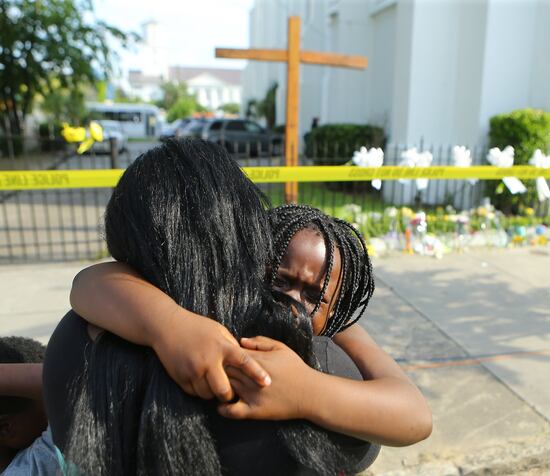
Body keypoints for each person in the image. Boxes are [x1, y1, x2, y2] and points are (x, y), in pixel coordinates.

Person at [42, 139, 377, 475]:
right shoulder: (306, 367)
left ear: (123, 241)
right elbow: (397, 422)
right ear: (249, 231)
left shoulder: (73, 343)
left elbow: (87, 285)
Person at [69, 204, 432, 446]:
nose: (292, 303)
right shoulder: (215, 312)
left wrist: (306, 391)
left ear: (336, 310)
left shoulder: (336, 331)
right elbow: (90, 283)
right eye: (278, 279)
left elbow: (414, 415)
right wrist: (169, 325)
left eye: (314, 296)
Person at [0, 337, 59, 475]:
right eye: (48, 404)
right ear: (5, 429)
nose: (53, 413)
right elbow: (65, 383)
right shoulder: (37, 464)